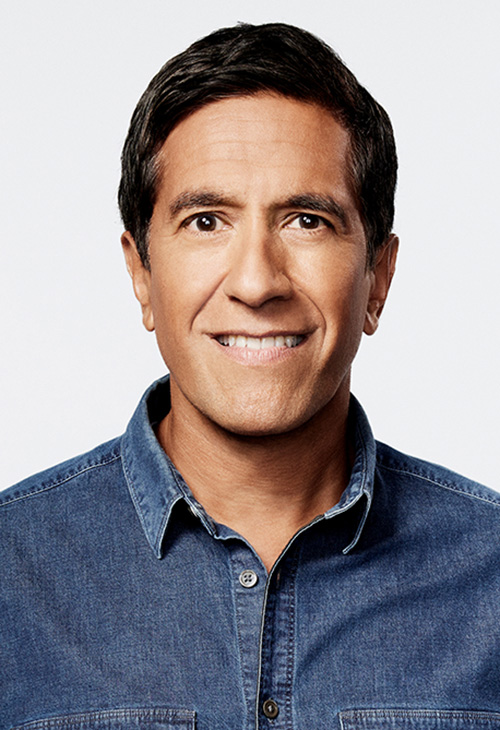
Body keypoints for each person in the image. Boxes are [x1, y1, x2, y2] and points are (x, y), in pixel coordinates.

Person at [1, 21, 499, 730]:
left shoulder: (491, 575)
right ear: (140, 274)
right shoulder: (12, 574)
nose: (258, 282)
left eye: (307, 221)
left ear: (377, 279)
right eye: (207, 221)